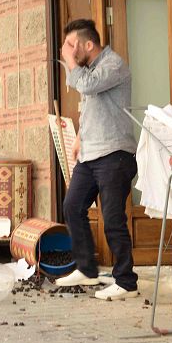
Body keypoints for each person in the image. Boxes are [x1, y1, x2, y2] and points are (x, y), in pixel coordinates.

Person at [56, 19, 139, 301]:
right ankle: (87, 268)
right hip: (91, 154)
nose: (66, 50)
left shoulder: (113, 65)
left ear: (88, 45)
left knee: (113, 218)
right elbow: (89, 103)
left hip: (115, 154)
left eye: (71, 44)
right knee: (72, 206)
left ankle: (126, 281)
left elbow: (88, 87)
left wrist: (69, 60)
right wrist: (80, 136)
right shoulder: (89, 68)